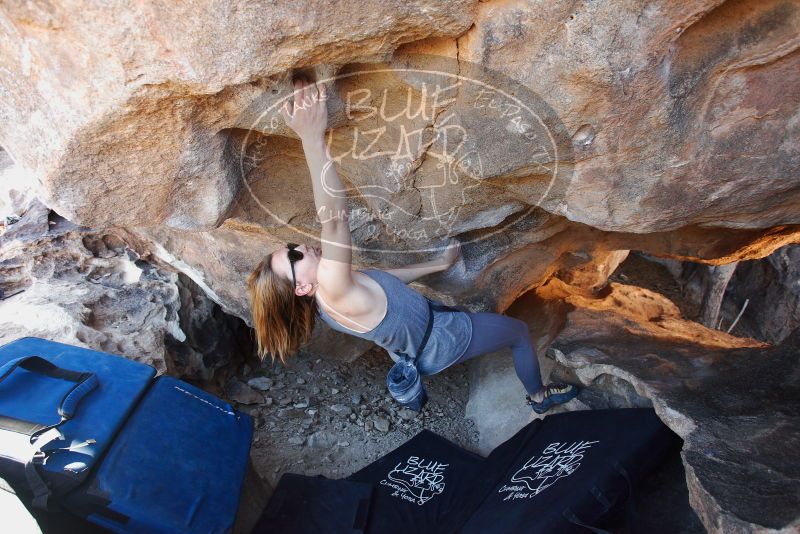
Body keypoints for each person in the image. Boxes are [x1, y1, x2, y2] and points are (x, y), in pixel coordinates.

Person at [246, 77, 578, 414]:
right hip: (441, 340)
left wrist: (436, 266)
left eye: (291, 246)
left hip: (420, 338)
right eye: (292, 256)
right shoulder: (333, 288)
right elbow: (333, 219)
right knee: (519, 333)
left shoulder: (331, 297)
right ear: (301, 287)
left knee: (495, 325)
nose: (299, 247)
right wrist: (311, 138)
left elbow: (384, 280)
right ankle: (539, 397)